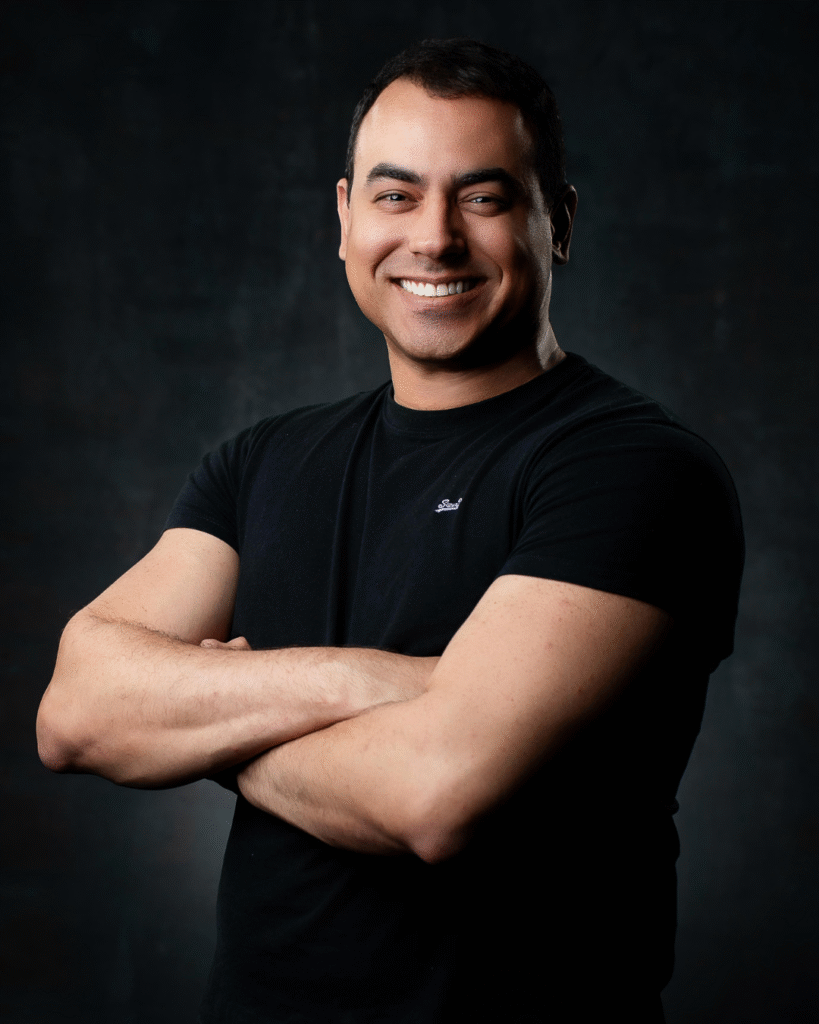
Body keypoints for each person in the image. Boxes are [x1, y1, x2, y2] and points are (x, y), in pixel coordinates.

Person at [37, 38, 743, 1024]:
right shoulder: (262, 461)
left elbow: (433, 795)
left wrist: (207, 730)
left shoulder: (633, 470)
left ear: (559, 222)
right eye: (396, 195)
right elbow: (75, 711)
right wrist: (375, 683)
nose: (434, 238)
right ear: (345, 219)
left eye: (483, 197)